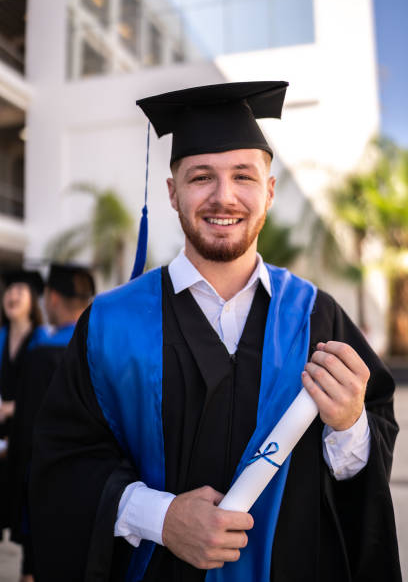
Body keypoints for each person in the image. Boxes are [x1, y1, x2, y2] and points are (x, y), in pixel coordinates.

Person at [29, 82, 401, 582]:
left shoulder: (318, 318)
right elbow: (63, 462)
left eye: (243, 176)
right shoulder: (109, 325)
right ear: (172, 193)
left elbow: (364, 465)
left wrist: (350, 425)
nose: (223, 196)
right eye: (201, 176)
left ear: (269, 192)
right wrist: (160, 517)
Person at [6, 263, 95, 581]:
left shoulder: (41, 356)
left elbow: (26, 433)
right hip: (98, 496)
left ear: (53, 298)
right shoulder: (101, 349)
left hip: (45, 489)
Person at [0, 269, 46, 581]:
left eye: (20, 290)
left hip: (28, 445)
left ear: (34, 299)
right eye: (9, 290)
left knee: (29, 523)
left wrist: (12, 407)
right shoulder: (0, 337)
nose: (13, 295)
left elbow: (48, 395)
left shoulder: (45, 342)